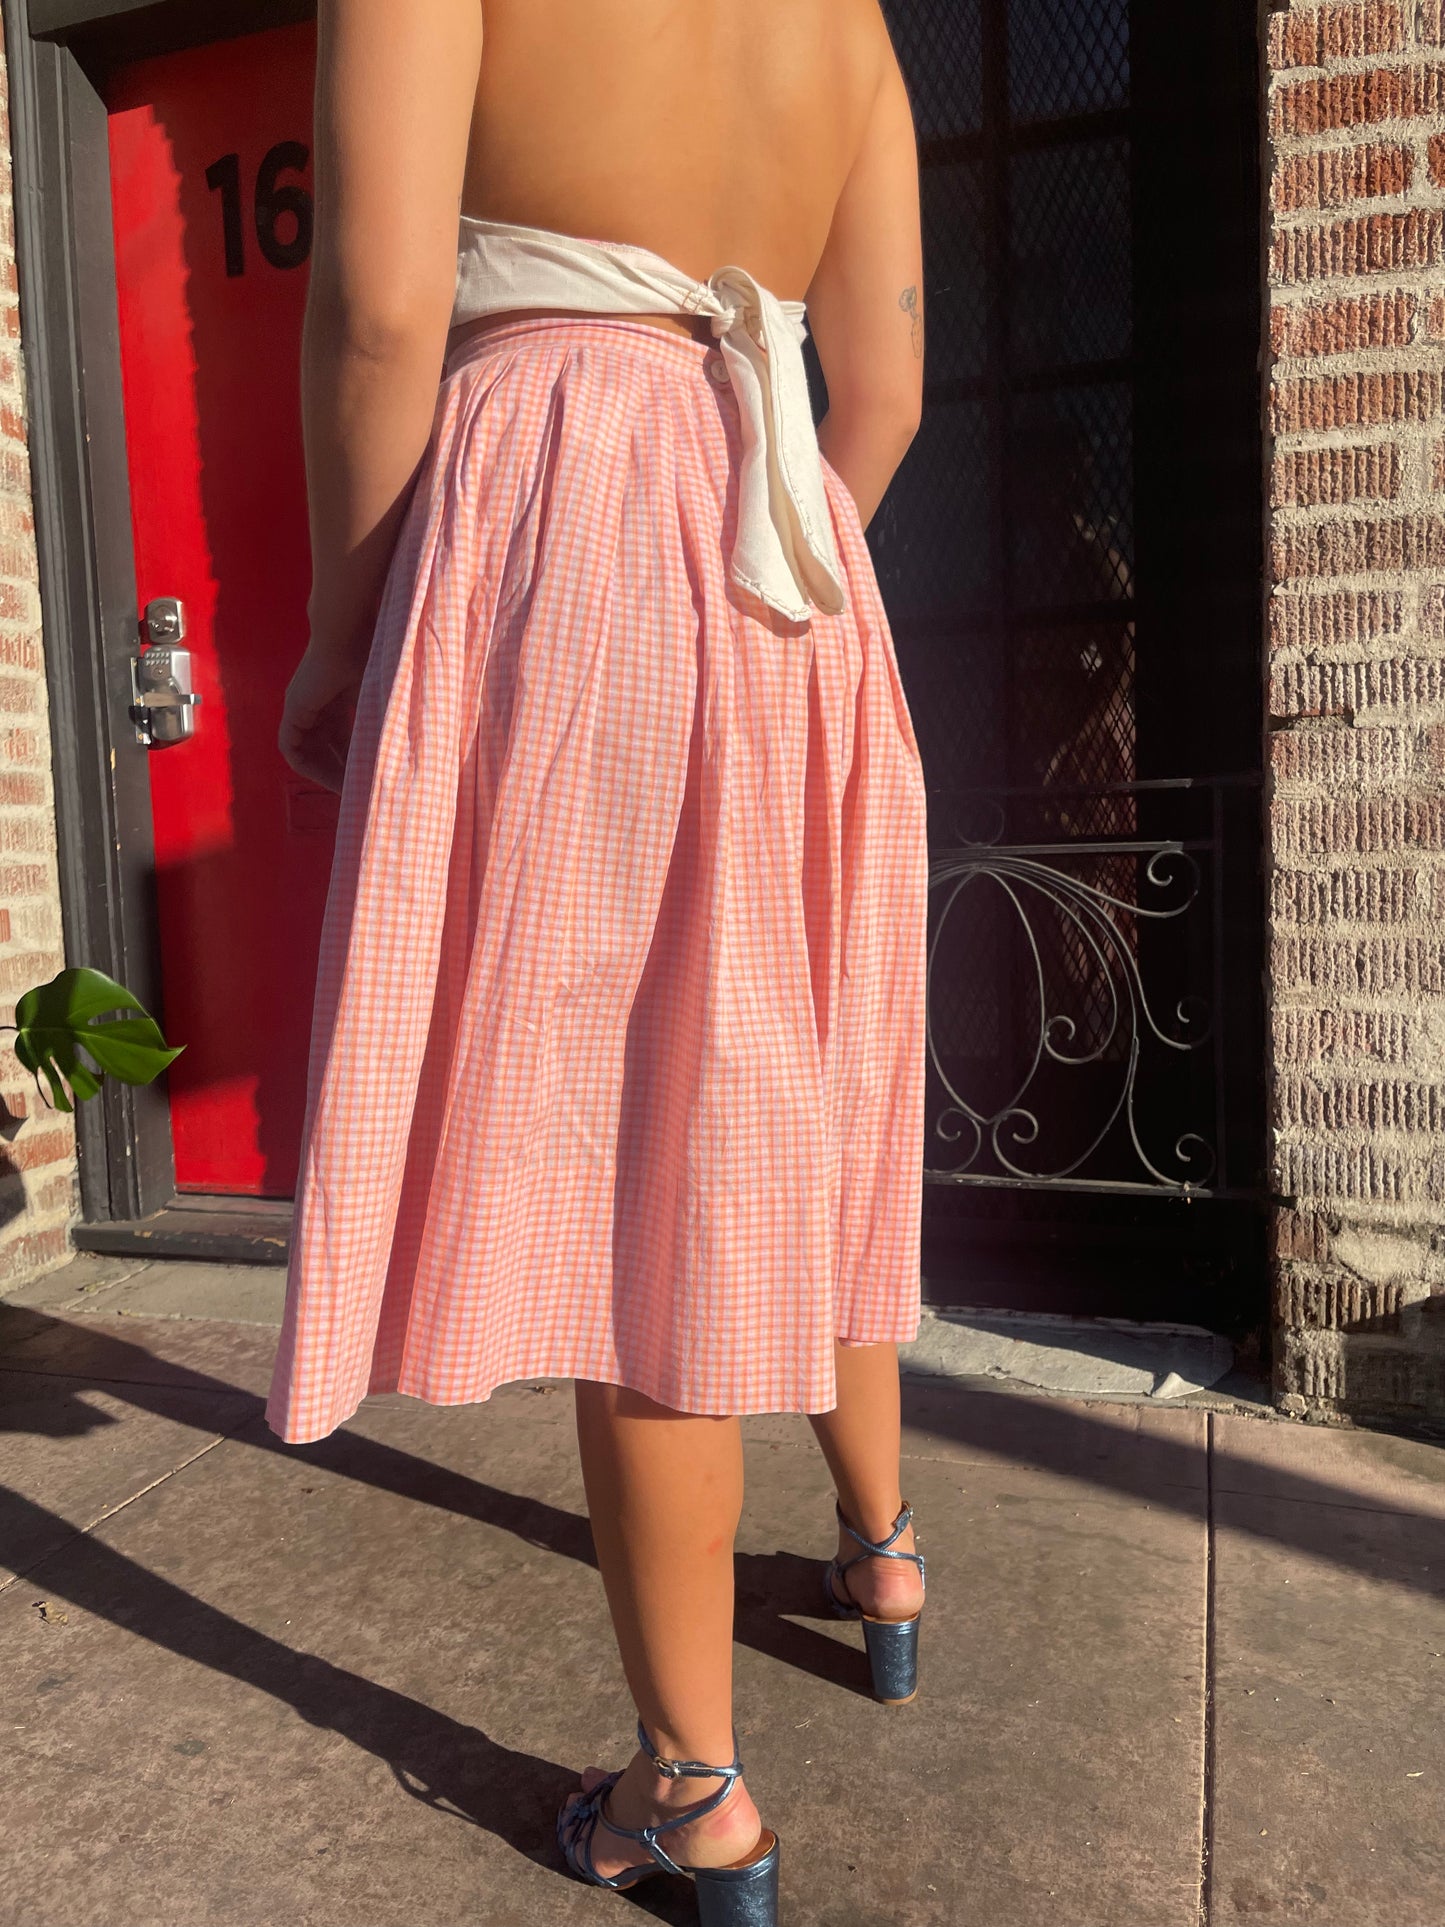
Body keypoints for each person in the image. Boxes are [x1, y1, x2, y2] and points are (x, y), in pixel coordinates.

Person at [268, 1, 929, 1918]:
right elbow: (877, 387)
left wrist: (336, 630)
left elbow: (383, 309)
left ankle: (692, 1789)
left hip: (568, 506)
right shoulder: (852, 26)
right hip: (792, 553)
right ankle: (883, 1550)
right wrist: (762, 578)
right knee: (787, 1110)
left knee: (661, 1173)